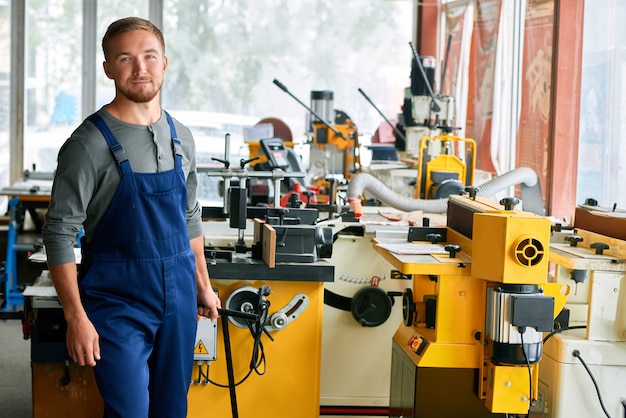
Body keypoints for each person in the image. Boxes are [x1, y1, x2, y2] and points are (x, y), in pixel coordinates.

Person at [41, 16, 221, 418]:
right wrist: (76, 317)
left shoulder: (182, 137)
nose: (140, 68)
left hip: (178, 297)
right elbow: (59, 233)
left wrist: (202, 286)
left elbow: (189, 216)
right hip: (117, 301)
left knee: (173, 408)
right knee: (130, 411)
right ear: (108, 68)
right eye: (125, 58)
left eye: (149, 56)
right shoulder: (87, 145)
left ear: (164, 63)